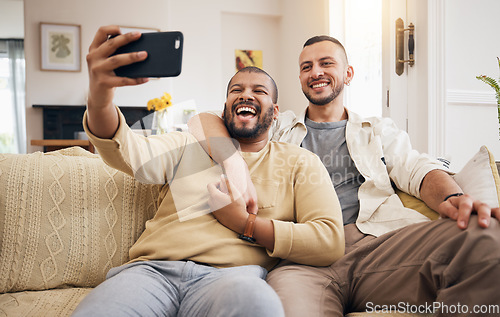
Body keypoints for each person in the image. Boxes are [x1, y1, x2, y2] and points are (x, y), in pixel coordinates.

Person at [188, 35, 500, 316]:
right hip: (301, 259)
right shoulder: (275, 127)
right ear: (300, 78)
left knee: (483, 234)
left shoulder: (378, 130)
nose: (316, 72)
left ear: (347, 74)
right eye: (307, 66)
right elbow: (205, 120)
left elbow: (417, 168)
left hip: (380, 247)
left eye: (326, 63)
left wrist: (453, 198)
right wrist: (234, 164)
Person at [72, 26, 345, 317]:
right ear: (225, 106)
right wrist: (100, 97)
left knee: (259, 306)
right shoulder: (187, 143)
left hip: (232, 279)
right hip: (150, 273)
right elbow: (127, 152)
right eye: (236, 91)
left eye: (259, 91)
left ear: (275, 111)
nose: (246, 95)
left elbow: (328, 240)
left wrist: (247, 224)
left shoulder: (299, 162)